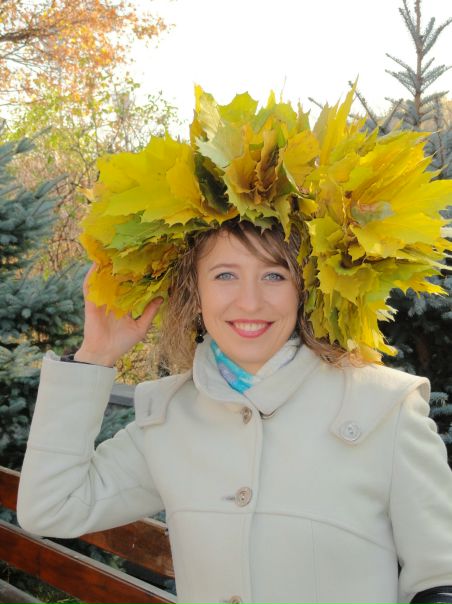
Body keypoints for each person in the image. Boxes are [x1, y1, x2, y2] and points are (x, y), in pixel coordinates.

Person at [17, 86, 452, 604]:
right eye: (225, 274)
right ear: (193, 290)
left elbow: (440, 575)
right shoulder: (168, 419)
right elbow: (51, 509)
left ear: (306, 289)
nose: (249, 301)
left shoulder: (385, 408)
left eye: (274, 275)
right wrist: (95, 357)